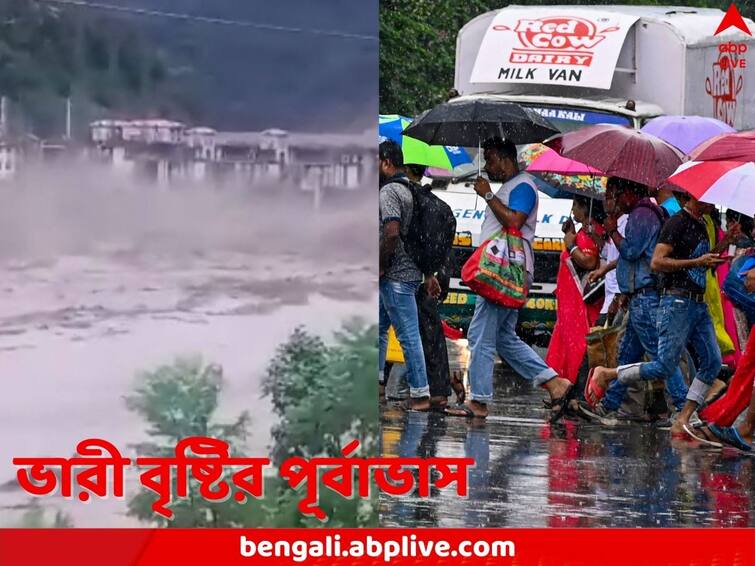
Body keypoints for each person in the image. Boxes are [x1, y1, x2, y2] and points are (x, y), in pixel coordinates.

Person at [445, 137, 573, 421]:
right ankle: (554, 383)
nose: (487, 166)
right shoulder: (512, 187)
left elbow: (515, 221)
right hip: (505, 272)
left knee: (480, 335)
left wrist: (488, 196)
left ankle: (478, 401)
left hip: (505, 272)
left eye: (490, 159)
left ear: (506, 159)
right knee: (504, 338)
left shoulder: (523, 186)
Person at [585, 193, 727, 436]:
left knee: (712, 362)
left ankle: (612, 404)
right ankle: (682, 410)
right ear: (694, 197)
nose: (713, 203)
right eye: (709, 198)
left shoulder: (701, 224)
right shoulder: (676, 222)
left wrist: (723, 247)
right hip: (676, 301)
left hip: (695, 303)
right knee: (665, 364)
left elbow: (699, 259)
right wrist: (696, 263)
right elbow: (657, 262)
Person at [578, 177, 688, 423]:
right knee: (627, 356)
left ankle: (684, 408)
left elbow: (631, 251)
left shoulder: (642, 214)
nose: (614, 201)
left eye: (615, 194)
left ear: (628, 192)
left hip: (646, 298)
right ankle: (609, 405)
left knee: (662, 359)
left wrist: (612, 231)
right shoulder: (643, 213)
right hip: (639, 296)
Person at [403, 163, 465, 407]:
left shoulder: (412, 202)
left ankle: (429, 389)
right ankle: (437, 386)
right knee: (428, 329)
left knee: (415, 331)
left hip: (419, 276)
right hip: (437, 274)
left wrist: (428, 273)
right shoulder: (439, 204)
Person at [378, 141, 430, 411]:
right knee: (377, 328)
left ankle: (420, 394)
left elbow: (392, 232)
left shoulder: (389, 191)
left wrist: (380, 264)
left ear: (387, 162)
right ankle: (376, 383)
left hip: (395, 275)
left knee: (408, 335)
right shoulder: (409, 189)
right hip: (408, 271)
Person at [545, 196, 605, 385]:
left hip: (578, 301)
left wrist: (570, 244)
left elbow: (588, 261)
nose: (572, 211)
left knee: (576, 342)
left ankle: (573, 384)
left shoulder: (591, 231)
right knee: (567, 339)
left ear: (587, 208)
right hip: (570, 300)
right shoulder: (584, 230)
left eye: (576, 206)